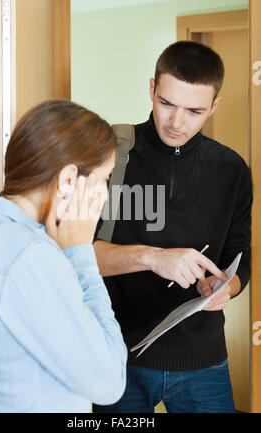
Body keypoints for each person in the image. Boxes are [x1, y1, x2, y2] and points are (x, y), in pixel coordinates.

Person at [93, 41, 252, 413]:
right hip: (120, 356)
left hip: (204, 361)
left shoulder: (232, 170)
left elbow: (240, 256)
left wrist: (227, 286)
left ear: (215, 106)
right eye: (167, 104)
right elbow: (79, 254)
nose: (176, 123)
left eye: (194, 110)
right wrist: (153, 258)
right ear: (151, 89)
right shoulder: (111, 157)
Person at [0, 99, 127, 413]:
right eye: (105, 179)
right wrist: (80, 254)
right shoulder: (30, 259)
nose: (106, 194)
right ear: (68, 180)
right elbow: (110, 381)